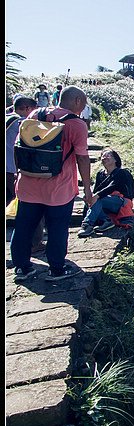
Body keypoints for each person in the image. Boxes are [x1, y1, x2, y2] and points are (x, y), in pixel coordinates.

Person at [11, 86, 93, 282]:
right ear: (77, 102)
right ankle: (56, 269)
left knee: (23, 226)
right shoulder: (76, 124)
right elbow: (82, 158)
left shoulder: (34, 114)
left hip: (28, 185)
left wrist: (18, 173)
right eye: (83, 103)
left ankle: (22, 268)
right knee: (57, 227)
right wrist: (87, 189)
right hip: (59, 188)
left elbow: (19, 147)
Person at [77, 149, 134, 237]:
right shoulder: (100, 174)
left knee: (98, 198)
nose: (105, 157)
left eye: (108, 155)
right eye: (103, 156)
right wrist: (89, 199)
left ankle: (87, 225)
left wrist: (96, 196)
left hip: (121, 202)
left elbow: (113, 186)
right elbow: (96, 190)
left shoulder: (122, 172)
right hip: (106, 200)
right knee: (91, 198)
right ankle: (106, 220)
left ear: (115, 159)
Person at [5, 96, 36, 205]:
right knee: (18, 198)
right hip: (10, 169)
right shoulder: (21, 123)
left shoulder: (7, 117)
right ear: (27, 109)